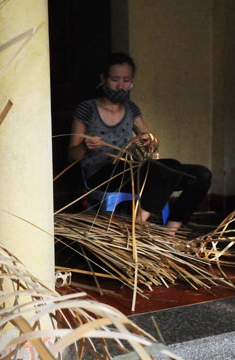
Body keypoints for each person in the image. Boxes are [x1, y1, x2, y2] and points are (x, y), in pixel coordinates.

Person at [68, 52, 211, 234]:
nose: (121, 86)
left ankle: (170, 231)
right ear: (103, 79)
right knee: (167, 168)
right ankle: (135, 230)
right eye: (115, 79)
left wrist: (150, 142)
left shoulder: (131, 109)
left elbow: (151, 141)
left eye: (126, 80)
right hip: (101, 175)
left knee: (201, 174)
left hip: (131, 170)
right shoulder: (87, 108)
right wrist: (85, 146)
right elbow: (72, 156)